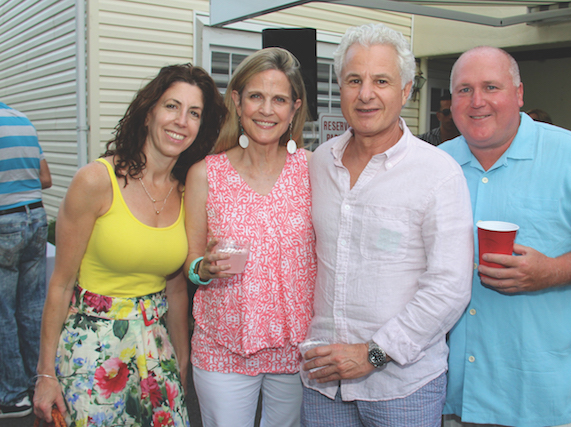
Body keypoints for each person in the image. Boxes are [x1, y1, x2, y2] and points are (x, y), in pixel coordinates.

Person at [440, 46, 571, 427]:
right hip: (459, 398)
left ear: (518, 94)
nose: (477, 101)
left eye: (491, 87)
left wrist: (552, 271)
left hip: (547, 398)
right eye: (464, 90)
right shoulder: (437, 164)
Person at [33, 63, 226, 426]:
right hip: (91, 351)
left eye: (194, 113)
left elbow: (176, 289)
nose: (181, 120)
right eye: (172, 106)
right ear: (149, 111)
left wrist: (181, 364)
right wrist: (45, 374)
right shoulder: (96, 181)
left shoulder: (187, 193)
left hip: (157, 350)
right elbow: (59, 285)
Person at [300, 23, 474, 427]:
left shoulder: (437, 173)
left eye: (381, 80)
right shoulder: (319, 163)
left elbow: (449, 287)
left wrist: (373, 353)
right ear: (339, 87)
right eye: (354, 80)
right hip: (323, 381)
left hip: (402, 386)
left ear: (407, 90)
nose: (365, 94)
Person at [184, 47, 316, 427]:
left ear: (294, 109)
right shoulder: (205, 175)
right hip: (224, 345)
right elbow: (190, 266)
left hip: (296, 350)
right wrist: (204, 268)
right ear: (238, 102)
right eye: (256, 96)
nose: (266, 110)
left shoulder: (311, 169)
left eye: (279, 100)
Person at [0, 102, 52, 419]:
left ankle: (12, 393)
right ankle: (38, 383)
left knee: (3, 311)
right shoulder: (22, 120)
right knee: (32, 306)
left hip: (4, 222)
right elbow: (44, 177)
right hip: (35, 217)